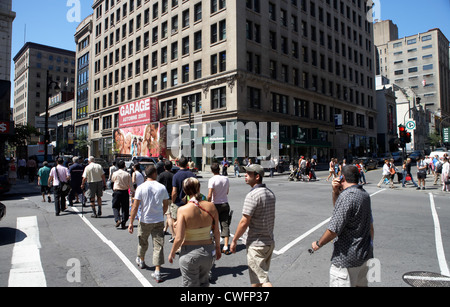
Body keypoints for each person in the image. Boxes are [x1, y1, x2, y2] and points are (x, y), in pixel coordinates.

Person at [311, 165, 374, 287]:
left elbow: (334, 229)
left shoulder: (347, 197)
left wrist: (319, 243)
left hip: (345, 259)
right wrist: (336, 192)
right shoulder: (364, 194)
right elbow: (342, 213)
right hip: (363, 255)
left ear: (342, 177)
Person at [168, 177, 221, 287]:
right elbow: (216, 232)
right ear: (199, 188)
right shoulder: (211, 206)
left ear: (185, 190)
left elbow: (179, 237)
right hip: (208, 251)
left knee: (190, 284)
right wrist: (218, 249)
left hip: (189, 253)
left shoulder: (183, 210)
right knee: (204, 282)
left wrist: (172, 252)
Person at [230, 164, 276, 287]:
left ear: (257, 177)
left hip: (256, 244)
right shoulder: (270, 193)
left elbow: (244, 222)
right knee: (256, 280)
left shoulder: (252, 195)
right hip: (268, 242)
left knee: (263, 280)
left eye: (249, 173)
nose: (245, 175)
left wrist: (234, 240)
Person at [129, 165, 170, 283]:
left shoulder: (141, 188)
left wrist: (131, 222)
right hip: (158, 220)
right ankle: (157, 271)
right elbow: (166, 204)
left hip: (144, 219)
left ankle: (141, 260)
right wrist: (161, 213)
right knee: (158, 245)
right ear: (155, 173)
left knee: (142, 241)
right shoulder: (161, 187)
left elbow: (135, 207)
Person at [207, 162, 231, 255]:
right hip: (225, 203)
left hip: (215, 204)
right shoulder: (226, 179)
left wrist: (208, 203)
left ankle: (216, 245)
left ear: (212, 171)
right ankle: (225, 246)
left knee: (214, 225)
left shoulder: (212, 180)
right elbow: (227, 192)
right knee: (225, 224)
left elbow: (210, 195)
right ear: (219, 169)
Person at [171, 156, 196, 223]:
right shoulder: (192, 175)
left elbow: (174, 191)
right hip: (190, 203)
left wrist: (173, 201)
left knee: (176, 222)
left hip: (178, 203)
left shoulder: (176, 176)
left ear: (178, 164)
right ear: (187, 164)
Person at [111, 160, 132, 229]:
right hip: (125, 191)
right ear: (124, 166)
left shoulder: (115, 173)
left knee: (115, 206)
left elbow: (112, 180)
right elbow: (130, 184)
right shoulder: (127, 174)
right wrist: (133, 191)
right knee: (125, 208)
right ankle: (124, 222)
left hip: (117, 191)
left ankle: (117, 219)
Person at [157, 160, 175, 241]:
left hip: (164, 197)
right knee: (170, 214)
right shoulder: (173, 175)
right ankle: (165, 229)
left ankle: (173, 234)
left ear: (164, 167)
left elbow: (157, 185)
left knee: (168, 215)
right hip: (172, 196)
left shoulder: (161, 175)